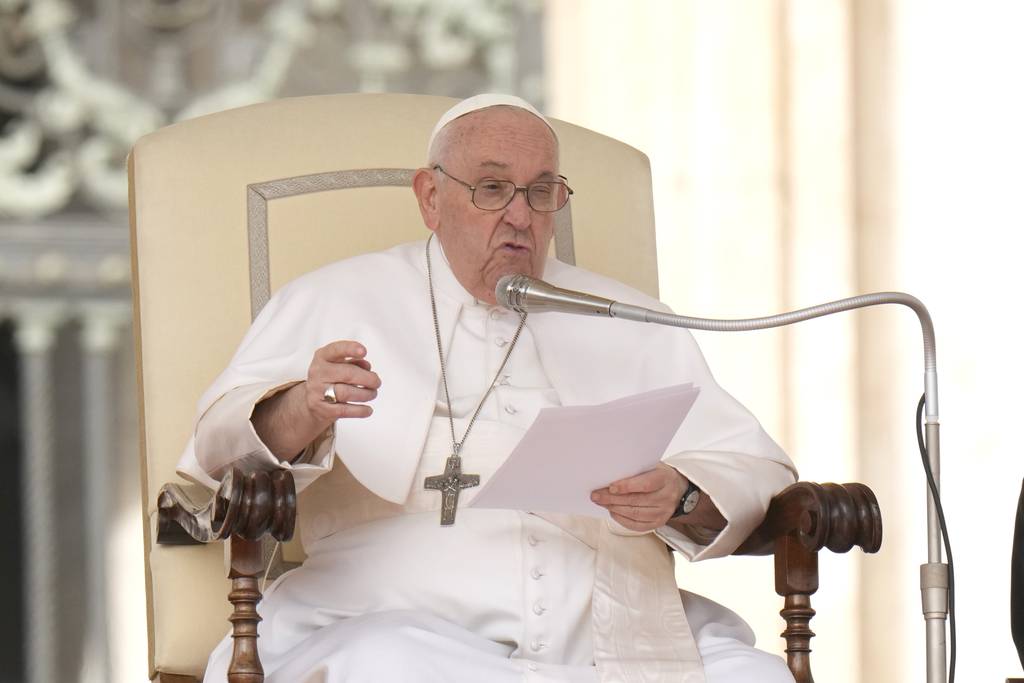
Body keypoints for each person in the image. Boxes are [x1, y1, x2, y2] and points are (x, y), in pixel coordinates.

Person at [178, 94, 798, 683]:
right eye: (492, 188)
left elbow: (750, 464)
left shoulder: (629, 317)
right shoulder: (335, 299)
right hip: (390, 613)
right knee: (382, 665)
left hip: (606, 625)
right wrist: (302, 409)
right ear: (430, 197)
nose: (520, 216)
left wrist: (684, 496)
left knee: (756, 675)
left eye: (541, 192)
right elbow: (215, 457)